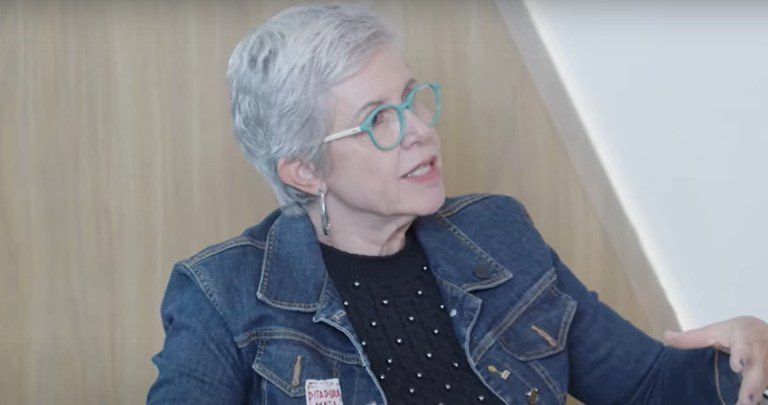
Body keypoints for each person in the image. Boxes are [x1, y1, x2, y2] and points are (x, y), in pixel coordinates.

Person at [147, 4, 768, 404]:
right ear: (305, 169)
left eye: (410, 99)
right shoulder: (222, 295)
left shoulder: (497, 232)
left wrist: (746, 356)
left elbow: (648, 386)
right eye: (378, 120)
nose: (419, 129)